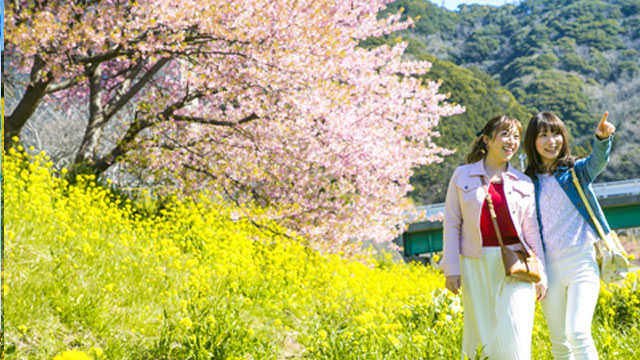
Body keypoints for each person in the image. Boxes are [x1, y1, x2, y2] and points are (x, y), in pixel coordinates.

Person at [442, 115, 547, 360]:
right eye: (505, 134)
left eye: (516, 136)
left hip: (517, 265)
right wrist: (451, 269)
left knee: (515, 333)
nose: (512, 141)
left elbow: (532, 233)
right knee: (481, 340)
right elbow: (452, 224)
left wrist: (541, 273)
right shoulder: (462, 175)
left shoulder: (523, 182)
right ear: (487, 141)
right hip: (475, 264)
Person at [524, 111, 615, 359]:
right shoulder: (525, 183)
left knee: (578, 333)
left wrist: (602, 139)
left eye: (556, 134)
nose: (551, 140)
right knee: (560, 344)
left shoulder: (575, 172)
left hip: (581, 262)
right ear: (532, 141)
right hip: (548, 269)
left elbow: (597, 162)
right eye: (543, 135)